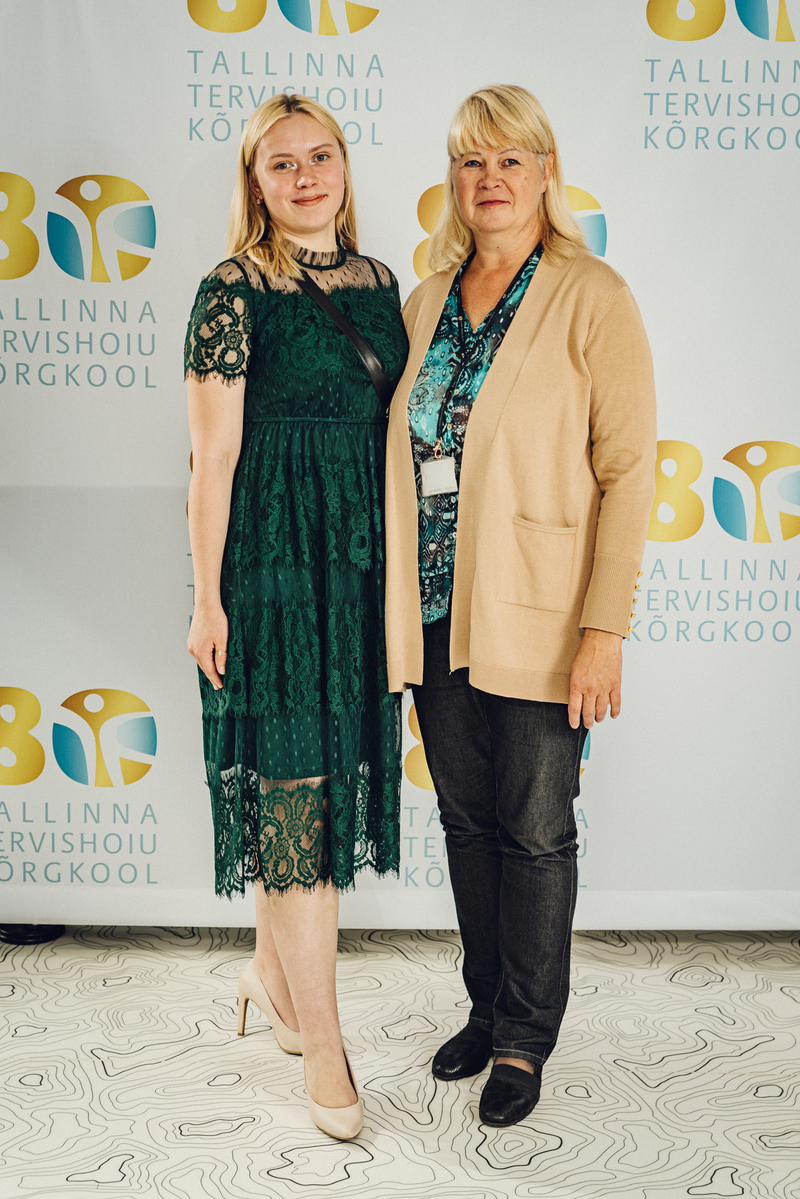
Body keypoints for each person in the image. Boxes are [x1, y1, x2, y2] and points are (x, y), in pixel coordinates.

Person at [384, 85, 656, 1127]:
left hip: (543, 613)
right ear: (452, 180)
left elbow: (627, 471)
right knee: (466, 820)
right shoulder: (423, 300)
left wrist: (604, 628)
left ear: (546, 172)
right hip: (434, 609)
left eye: (510, 159)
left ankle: (523, 1038)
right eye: (471, 161)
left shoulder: (592, 294)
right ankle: (484, 1002)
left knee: (535, 829)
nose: (489, 179)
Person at [184, 94, 407, 1140]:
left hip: (356, 566)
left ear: (344, 167)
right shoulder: (231, 290)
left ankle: (269, 978)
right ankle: (323, 1039)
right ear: (256, 182)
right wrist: (207, 595)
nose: (306, 175)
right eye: (282, 163)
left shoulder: (381, 285)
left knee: (318, 785)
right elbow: (213, 455)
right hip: (271, 567)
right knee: (295, 800)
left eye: (321, 156)